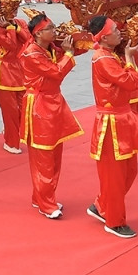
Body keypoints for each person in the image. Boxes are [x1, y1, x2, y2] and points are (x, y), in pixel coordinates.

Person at [86, 16, 138, 239]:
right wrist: (129, 58)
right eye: (116, 30)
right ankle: (115, 221)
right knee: (115, 175)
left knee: (129, 170)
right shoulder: (102, 59)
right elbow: (130, 83)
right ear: (105, 36)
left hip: (123, 118)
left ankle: (101, 205)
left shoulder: (109, 55)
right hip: (112, 123)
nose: (120, 32)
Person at [20, 15, 84, 219]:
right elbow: (56, 72)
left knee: (54, 154)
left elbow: (75, 50)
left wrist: (80, 39)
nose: (55, 31)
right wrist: (68, 53)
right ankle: (46, 203)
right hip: (40, 106)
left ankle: (41, 196)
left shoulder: (48, 48)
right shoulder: (32, 53)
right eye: (51, 28)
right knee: (44, 156)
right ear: (38, 33)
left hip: (53, 103)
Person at [0, 11, 29, 154]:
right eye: (8, 8)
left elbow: (28, 39)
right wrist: (11, 29)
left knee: (23, 107)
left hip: (20, 68)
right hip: (5, 70)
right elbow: (11, 45)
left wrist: (14, 26)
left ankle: (13, 131)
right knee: (10, 110)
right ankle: (10, 142)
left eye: (14, 7)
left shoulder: (21, 23)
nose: (12, 11)